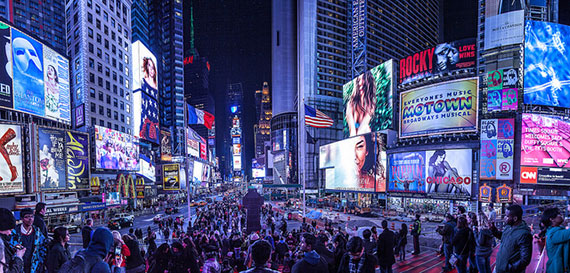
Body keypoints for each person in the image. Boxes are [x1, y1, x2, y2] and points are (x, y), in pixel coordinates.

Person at [490, 204, 532, 273]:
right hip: (499, 267)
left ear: (515, 218)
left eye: (507, 216)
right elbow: (503, 237)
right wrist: (493, 230)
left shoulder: (524, 234)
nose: (505, 218)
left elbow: (525, 259)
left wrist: (509, 268)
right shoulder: (508, 227)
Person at [10, 208, 46, 273]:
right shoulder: (15, 232)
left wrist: (40, 261)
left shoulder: (37, 231)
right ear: (22, 218)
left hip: (34, 266)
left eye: (32, 216)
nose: (30, 219)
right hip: (19, 265)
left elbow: (43, 246)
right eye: (27, 217)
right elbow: (11, 246)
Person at [345, 70, 376, 137]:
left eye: (363, 79)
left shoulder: (371, 104)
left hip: (365, 136)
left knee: (366, 128)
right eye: (358, 80)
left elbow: (364, 125)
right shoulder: (350, 104)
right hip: (354, 137)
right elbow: (352, 128)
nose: (360, 83)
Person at [541, 207, 570, 273]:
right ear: (552, 219)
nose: (561, 215)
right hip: (557, 269)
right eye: (558, 214)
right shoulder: (553, 233)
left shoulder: (553, 231)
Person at [0, 208, 25, 273]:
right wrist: (19, 257)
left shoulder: (3, 241)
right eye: (10, 230)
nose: (10, 233)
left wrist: (12, 250)